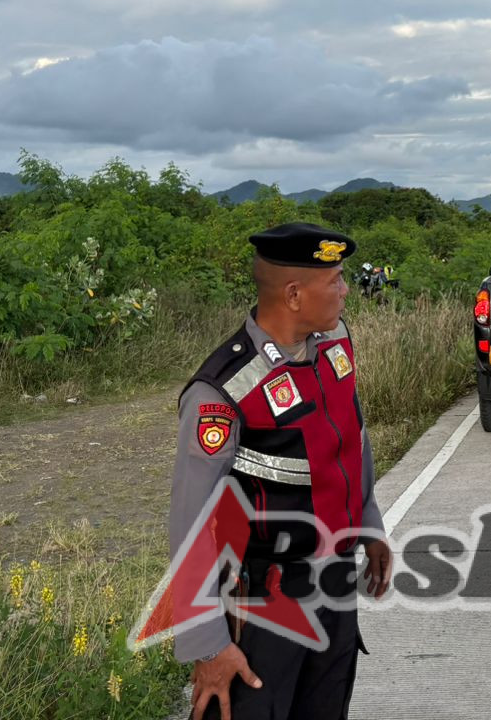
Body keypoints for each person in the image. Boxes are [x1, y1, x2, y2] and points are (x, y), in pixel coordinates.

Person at [168, 222, 393, 720]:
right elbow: (191, 527)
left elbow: (351, 440)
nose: (345, 289)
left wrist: (370, 524)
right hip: (263, 611)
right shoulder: (223, 391)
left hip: (334, 592)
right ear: (294, 295)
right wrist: (208, 647)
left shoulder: (334, 346)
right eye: (334, 280)